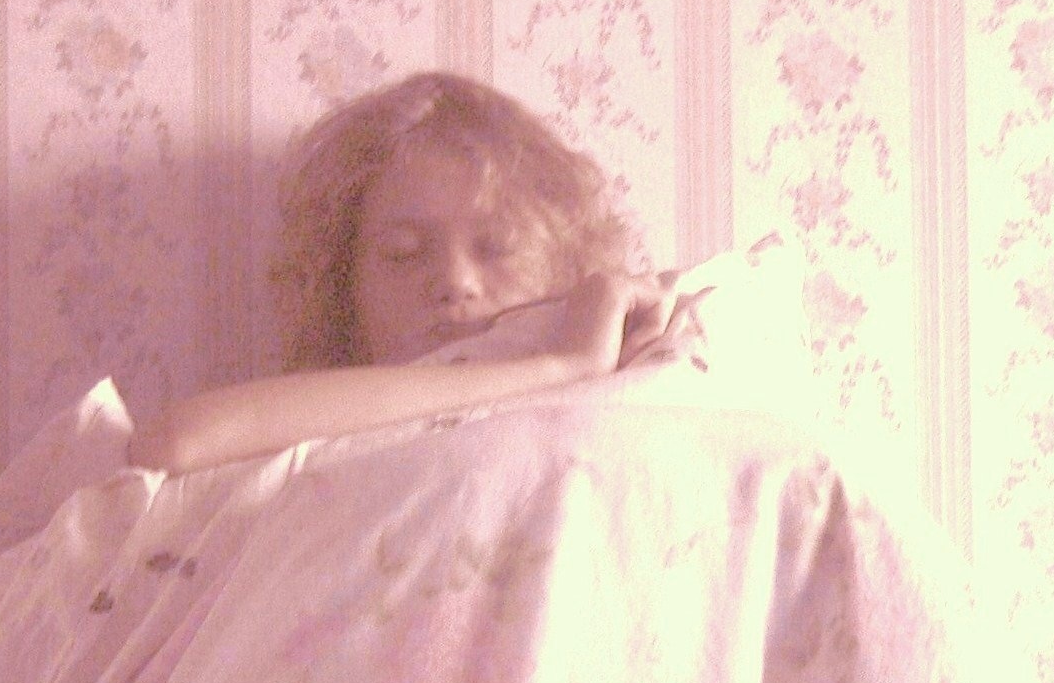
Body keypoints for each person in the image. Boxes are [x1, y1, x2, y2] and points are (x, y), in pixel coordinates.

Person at [131, 71, 681, 475]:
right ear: (345, 291)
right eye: (404, 253)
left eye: (497, 248)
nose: (455, 282)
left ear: (566, 270)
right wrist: (560, 366)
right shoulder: (308, 433)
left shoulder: (626, 405)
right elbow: (173, 444)